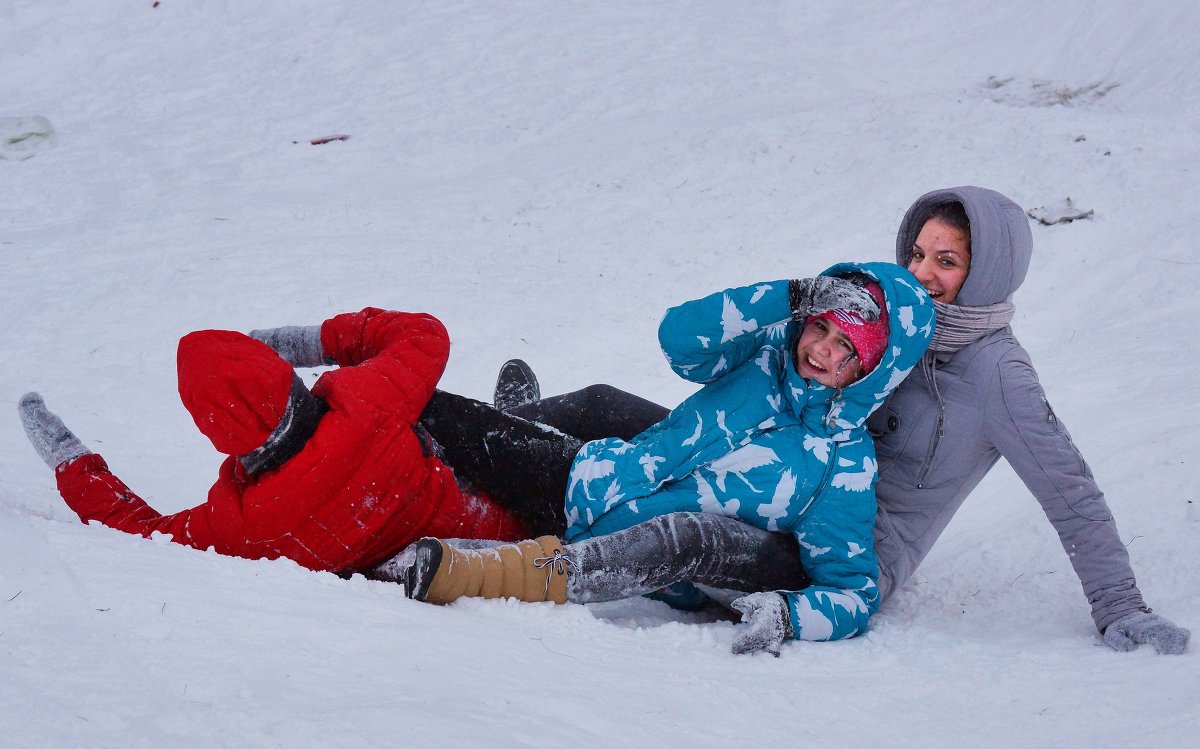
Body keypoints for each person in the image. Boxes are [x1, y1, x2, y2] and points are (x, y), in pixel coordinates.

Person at [485, 186, 1189, 655]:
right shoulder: (892, 330)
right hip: (779, 484)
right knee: (610, 405)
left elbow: (1070, 488)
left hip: (831, 551)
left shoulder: (998, 376)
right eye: (917, 253)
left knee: (673, 518)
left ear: (989, 272)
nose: (922, 272)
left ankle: (520, 524)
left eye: (948, 261)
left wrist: (1119, 605)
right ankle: (518, 428)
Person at [405, 260, 936, 656]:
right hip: (601, 478)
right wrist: (789, 296)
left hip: (638, 551)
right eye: (820, 326)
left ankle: (489, 559)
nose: (820, 349)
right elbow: (679, 339)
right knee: (442, 417)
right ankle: (501, 418)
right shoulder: (769, 351)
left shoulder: (842, 466)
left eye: (846, 345)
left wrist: (790, 615)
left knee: (471, 494)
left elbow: (851, 592)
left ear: (874, 369)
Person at [17, 308, 530, 574]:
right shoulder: (366, 401)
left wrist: (70, 460)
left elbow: (140, 530)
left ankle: (520, 421)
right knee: (429, 408)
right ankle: (521, 423)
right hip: (511, 510)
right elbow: (423, 335)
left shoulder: (243, 526)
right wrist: (300, 342)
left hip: (440, 556)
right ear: (281, 373)